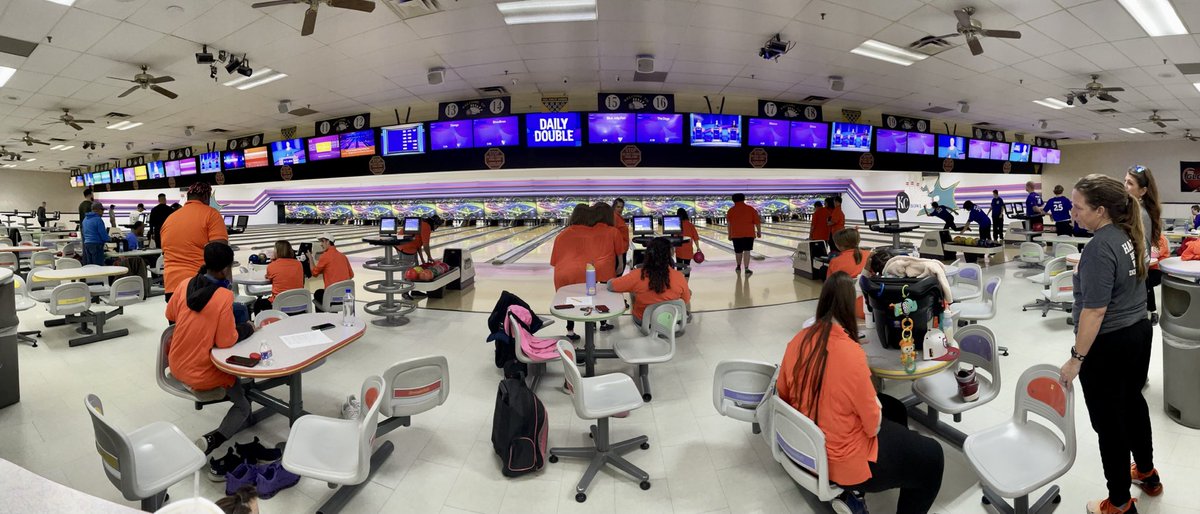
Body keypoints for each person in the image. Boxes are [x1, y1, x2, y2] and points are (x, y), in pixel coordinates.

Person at [778, 272, 944, 514]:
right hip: (841, 460)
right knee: (933, 456)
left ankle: (862, 490)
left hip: (808, 444)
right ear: (848, 307)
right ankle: (858, 484)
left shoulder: (798, 340)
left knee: (894, 407)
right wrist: (871, 403)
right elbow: (873, 425)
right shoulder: (850, 353)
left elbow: (783, 394)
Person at [1059, 174, 1158, 514]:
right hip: (1137, 333)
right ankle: (1146, 472)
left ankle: (1118, 502)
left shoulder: (1100, 247)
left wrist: (1076, 359)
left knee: (1109, 425)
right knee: (1132, 404)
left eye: (1078, 207)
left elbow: (1095, 310)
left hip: (1110, 345)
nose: (1073, 212)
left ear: (1100, 211)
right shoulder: (1128, 234)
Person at [167, 242, 256, 457]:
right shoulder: (223, 296)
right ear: (226, 269)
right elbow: (226, 341)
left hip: (175, 363)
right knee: (243, 406)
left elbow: (170, 315)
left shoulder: (185, 283)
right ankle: (213, 440)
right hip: (200, 373)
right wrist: (248, 328)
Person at [550, 204, 621, 340]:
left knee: (568, 301)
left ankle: (570, 331)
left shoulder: (561, 235)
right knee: (590, 299)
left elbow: (554, 261)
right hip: (584, 272)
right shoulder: (593, 233)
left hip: (562, 273)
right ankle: (593, 322)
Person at [161, 183, 229, 304]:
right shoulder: (211, 214)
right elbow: (219, 253)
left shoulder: (169, 219)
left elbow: (165, 251)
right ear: (206, 196)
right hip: (200, 286)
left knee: (178, 323)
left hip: (172, 286)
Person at [608, 237, 691, 326]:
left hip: (645, 322)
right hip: (672, 321)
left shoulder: (638, 275)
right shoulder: (679, 276)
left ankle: (635, 310)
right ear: (671, 253)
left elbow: (610, 285)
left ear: (648, 254)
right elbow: (685, 301)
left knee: (633, 290)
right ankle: (684, 318)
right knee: (687, 292)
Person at [1125, 166, 1163, 326]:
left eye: (1130, 183)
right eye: (1124, 181)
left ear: (1142, 191)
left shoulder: (1140, 215)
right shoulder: (1132, 210)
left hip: (1134, 275)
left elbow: (1142, 251)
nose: (1125, 186)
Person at [592, 202, 626, 331]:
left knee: (593, 295)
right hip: (607, 268)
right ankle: (603, 323)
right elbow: (619, 252)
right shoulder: (613, 231)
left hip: (592, 268)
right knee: (605, 296)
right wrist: (621, 265)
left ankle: (592, 323)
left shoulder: (589, 230)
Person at [255, 241, 304, 314]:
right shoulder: (299, 264)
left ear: (277, 251)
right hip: (298, 303)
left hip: (279, 305)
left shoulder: (272, 266)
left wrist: (273, 261)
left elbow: (268, 277)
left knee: (257, 304)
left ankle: (260, 324)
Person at [308, 233, 353, 307]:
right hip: (344, 297)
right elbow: (351, 275)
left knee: (317, 293)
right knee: (324, 293)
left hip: (331, 297)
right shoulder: (343, 256)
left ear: (328, 242)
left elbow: (314, 273)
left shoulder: (325, 256)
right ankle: (332, 314)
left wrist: (310, 258)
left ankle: (323, 317)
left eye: (322, 241)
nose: (321, 244)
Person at [726, 193, 761, 276]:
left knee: (738, 251)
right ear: (744, 199)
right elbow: (757, 222)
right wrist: (759, 231)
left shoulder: (730, 210)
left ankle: (738, 266)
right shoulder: (751, 209)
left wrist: (729, 234)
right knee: (747, 251)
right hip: (749, 234)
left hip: (736, 234)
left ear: (733, 200)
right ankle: (746, 268)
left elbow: (729, 224)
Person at [612, 198, 629, 273]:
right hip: (618, 252)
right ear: (614, 207)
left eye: (622, 207)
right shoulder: (614, 217)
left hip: (622, 250)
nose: (620, 209)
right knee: (616, 276)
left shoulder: (618, 217)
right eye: (618, 207)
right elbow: (614, 237)